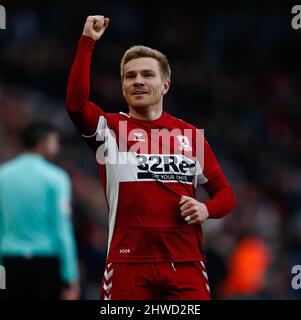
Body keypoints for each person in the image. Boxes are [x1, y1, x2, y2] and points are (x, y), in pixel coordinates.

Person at [66, 15, 236, 300]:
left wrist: (207, 210)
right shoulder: (109, 128)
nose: (138, 81)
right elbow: (75, 105)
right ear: (122, 87)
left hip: (185, 263)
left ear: (165, 85)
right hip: (127, 263)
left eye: (147, 74)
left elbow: (226, 194)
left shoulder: (191, 135)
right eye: (130, 76)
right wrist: (87, 43)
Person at [0, 121, 79, 300]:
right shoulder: (57, 178)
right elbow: (63, 229)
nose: (57, 147)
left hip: (9, 261)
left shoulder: (3, 175)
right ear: (43, 142)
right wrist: (70, 276)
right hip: (45, 263)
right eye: (55, 141)